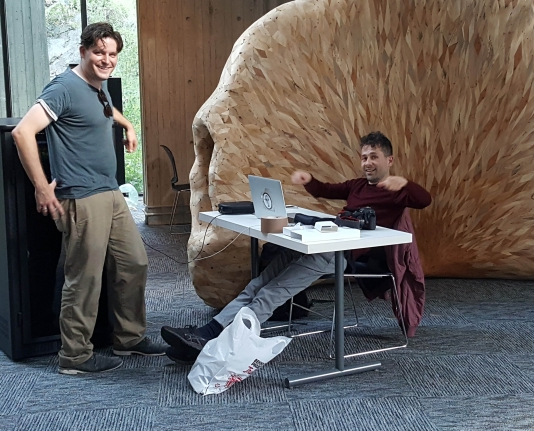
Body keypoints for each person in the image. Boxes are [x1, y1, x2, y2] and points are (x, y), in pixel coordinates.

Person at [161, 131, 431, 363]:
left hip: (339, 254)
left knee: (273, 292)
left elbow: (424, 199)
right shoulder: (357, 185)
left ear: (389, 160)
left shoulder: (398, 190)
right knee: (258, 284)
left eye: (373, 157)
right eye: (364, 157)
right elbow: (325, 189)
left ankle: (214, 341)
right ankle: (209, 332)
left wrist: (404, 183)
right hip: (323, 242)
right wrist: (308, 180)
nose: (368, 163)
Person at [12, 22, 166, 375]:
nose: (106, 59)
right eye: (99, 52)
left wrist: (127, 125)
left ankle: (129, 339)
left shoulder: (98, 88)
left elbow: (104, 111)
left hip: (109, 191)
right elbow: (23, 132)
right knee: (86, 278)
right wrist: (41, 186)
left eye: (111, 54)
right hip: (81, 197)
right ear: (82, 52)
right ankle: (75, 356)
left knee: (134, 263)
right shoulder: (64, 87)